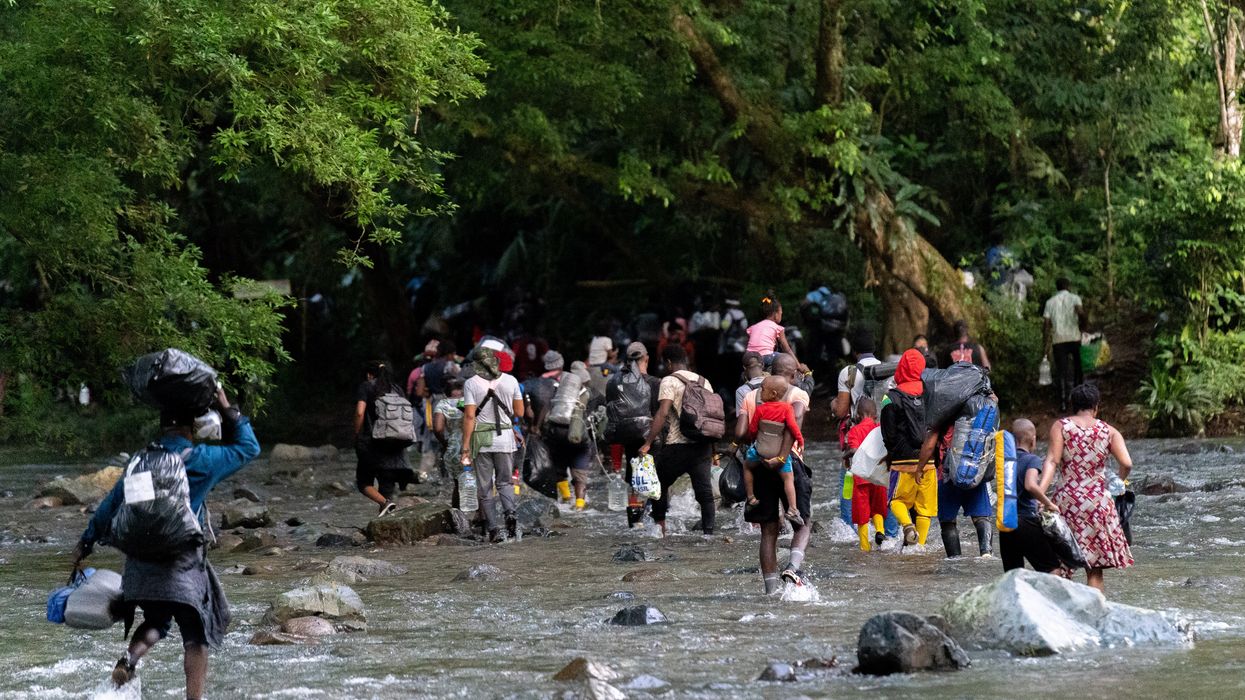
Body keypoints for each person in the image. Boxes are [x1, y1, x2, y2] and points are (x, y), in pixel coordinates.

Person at [72, 387, 260, 697]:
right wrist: (226, 406)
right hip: (182, 562)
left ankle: (129, 659)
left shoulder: (141, 460)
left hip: (141, 561)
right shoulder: (202, 459)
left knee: (156, 620)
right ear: (192, 428)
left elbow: (110, 506)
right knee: (195, 636)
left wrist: (86, 543)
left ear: (163, 426)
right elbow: (248, 448)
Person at [1040, 383, 1133, 592]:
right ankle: (1094, 614)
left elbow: (1052, 462)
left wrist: (1040, 495)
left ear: (1073, 405)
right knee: (1095, 568)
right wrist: (1117, 482)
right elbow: (1126, 463)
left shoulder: (1061, 426)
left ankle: (1062, 612)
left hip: (1067, 501)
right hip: (1098, 501)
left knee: (1062, 563)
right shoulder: (1109, 431)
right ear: (1096, 407)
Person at [736, 353, 813, 591]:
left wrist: (756, 441)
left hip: (759, 465)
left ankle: (770, 591)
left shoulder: (750, 396)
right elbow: (797, 417)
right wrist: (781, 455)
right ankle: (792, 566)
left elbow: (740, 433)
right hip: (789, 462)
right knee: (803, 523)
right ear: (792, 374)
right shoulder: (797, 394)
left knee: (768, 531)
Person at [639, 345, 716, 536]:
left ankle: (660, 529)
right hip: (702, 446)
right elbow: (711, 418)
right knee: (705, 493)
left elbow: (662, 413)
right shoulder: (703, 381)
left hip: (677, 445)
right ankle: (709, 534)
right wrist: (713, 451)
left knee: (659, 485)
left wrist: (648, 442)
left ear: (668, 362)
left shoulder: (669, 381)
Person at [833, 330, 896, 535]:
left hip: (857, 439)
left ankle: (851, 532)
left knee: (851, 486)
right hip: (884, 438)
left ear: (855, 351)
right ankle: (891, 534)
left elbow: (842, 410)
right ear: (874, 348)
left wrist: (833, 404)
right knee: (886, 486)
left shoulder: (849, 372)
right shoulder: (889, 371)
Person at [460, 347, 526, 542]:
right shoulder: (511, 380)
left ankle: (493, 529)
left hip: (482, 441)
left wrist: (465, 447)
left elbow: (470, 416)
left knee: (485, 487)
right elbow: (519, 413)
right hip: (506, 439)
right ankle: (511, 515)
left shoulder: (471, 383)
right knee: (505, 482)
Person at [882, 349, 937, 548]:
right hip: (928, 460)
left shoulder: (890, 397)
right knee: (924, 508)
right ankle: (919, 546)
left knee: (896, 500)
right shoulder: (931, 394)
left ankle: (907, 526)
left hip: (902, 460)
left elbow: (888, 434)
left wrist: (891, 454)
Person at [607, 341, 661, 527]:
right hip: (653, 439)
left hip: (630, 440)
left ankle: (634, 524)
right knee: (656, 480)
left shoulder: (616, 382)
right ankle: (656, 523)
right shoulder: (654, 383)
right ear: (647, 358)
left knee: (634, 481)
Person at [741, 375, 805, 527]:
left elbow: (752, 429)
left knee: (747, 466)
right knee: (788, 478)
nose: (760, 391)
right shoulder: (787, 409)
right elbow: (793, 427)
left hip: (760, 453)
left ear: (773, 393)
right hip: (779, 454)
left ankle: (751, 497)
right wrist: (800, 441)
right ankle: (793, 509)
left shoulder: (761, 409)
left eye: (762, 389)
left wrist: (752, 440)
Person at [999, 418, 1062, 573]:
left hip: (1006, 524)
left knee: (1013, 576)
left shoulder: (1006, 463)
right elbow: (1030, 485)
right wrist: (1048, 503)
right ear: (1033, 440)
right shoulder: (1032, 459)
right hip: (1026, 521)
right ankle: (1047, 598)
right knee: (1053, 570)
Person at [354, 360, 416, 516]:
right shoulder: (397, 389)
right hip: (396, 442)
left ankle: (384, 503)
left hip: (371, 443)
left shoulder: (366, 386)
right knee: (386, 484)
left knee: (364, 483)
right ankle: (388, 519)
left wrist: (356, 433)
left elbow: (360, 412)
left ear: (369, 374)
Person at [936, 420, 995, 558]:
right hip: (976, 472)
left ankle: (955, 558)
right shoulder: (981, 414)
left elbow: (930, 442)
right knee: (982, 518)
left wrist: (921, 467)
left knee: (948, 522)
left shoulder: (944, 416)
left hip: (948, 475)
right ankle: (986, 552)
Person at [845, 397, 886, 551]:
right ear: (875, 414)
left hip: (861, 477)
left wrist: (845, 456)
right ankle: (880, 531)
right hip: (879, 476)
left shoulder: (854, 430)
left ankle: (865, 546)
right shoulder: (880, 428)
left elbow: (854, 450)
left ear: (859, 414)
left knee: (862, 514)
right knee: (878, 508)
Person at [1043, 277, 1087, 411]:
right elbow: (1081, 313)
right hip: (1074, 337)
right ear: (1068, 286)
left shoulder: (1050, 302)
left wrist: (1045, 343)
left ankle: (1062, 402)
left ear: (1057, 287)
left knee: (1062, 371)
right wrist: (1083, 326)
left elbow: (1046, 325)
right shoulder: (1075, 298)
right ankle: (1080, 399)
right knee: (1078, 368)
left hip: (1058, 340)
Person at [432, 378, 466, 508]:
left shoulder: (442, 404)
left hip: (454, 447)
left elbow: (438, 428)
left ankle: (457, 518)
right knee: (479, 482)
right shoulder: (469, 402)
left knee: (458, 484)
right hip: (473, 445)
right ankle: (480, 518)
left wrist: (444, 443)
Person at [745, 294, 802, 369]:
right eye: (781, 313)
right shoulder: (777, 328)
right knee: (786, 358)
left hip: (748, 357)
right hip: (766, 357)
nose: (781, 315)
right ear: (775, 315)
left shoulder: (753, 327)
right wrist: (798, 365)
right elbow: (787, 349)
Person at [734, 351, 765, 418]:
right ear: (763, 365)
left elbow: (741, 418)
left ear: (744, 368)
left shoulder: (741, 391)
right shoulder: (774, 384)